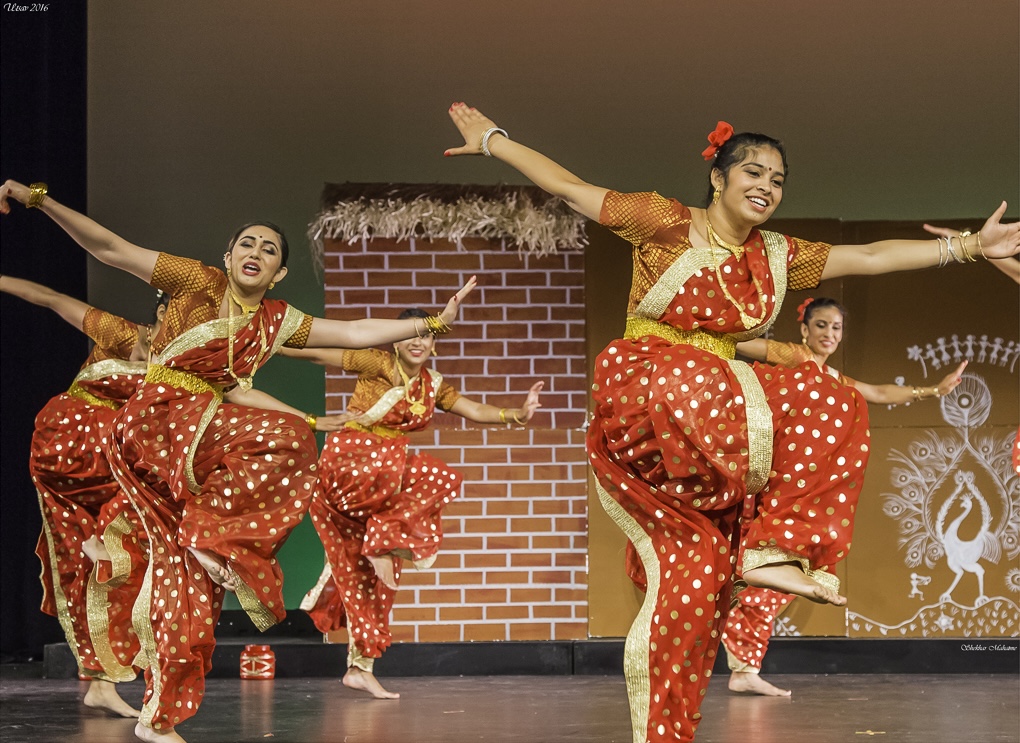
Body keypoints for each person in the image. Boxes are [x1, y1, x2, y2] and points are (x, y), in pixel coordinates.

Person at [444, 103, 1020, 743]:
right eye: (753, 172)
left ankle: (751, 584)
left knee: (822, 409)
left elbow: (873, 256)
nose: (767, 187)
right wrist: (493, 140)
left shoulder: (777, 255)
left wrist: (969, 246)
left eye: (778, 180)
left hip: (711, 429)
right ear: (717, 178)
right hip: (647, 392)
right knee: (704, 374)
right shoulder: (662, 222)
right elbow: (569, 186)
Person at [0, 179, 475, 743]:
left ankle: (160, 715)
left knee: (191, 588)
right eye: (247, 244)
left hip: (189, 442)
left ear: (278, 275)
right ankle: (207, 535)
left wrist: (429, 323)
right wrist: (40, 201)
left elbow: (352, 330)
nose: (256, 253)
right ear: (228, 257)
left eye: (269, 250)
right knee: (288, 440)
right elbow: (111, 249)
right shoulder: (196, 282)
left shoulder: (273, 321)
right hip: (154, 422)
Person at [722, 296, 967, 697]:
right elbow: (736, 341)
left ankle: (745, 668)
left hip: (799, 489)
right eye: (821, 325)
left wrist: (933, 390)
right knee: (760, 561)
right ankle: (739, 655)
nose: (829, 334)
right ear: (804, 329)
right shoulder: (793, 356)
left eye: (836, 328)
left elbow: (879, 392)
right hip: (774, 478)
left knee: (777, 579)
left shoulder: (833, 378)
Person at [293, 308, 544, 699]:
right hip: (351, 462)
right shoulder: (374, 361)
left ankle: (360, 667)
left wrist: (517, 414)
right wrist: (263, 342)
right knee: (440, 476)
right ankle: (381, 541)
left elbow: (475, 411)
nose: (420, 342)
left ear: (434, 345)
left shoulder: (434, 385)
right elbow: (315, 353)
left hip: (381, 483)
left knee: (374, 580)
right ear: (397, 338)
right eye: (415, 334)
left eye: (428, 337)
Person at [0, 274, 162, 718]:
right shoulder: (120, 333)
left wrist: (307, 420)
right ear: (161, 316)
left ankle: (101, 681)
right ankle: (106, 536)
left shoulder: (181, 367)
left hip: (110, 462)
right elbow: (50, 296)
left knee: (89, 569)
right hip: (69, 443)